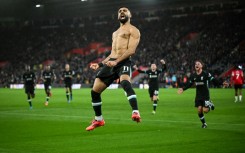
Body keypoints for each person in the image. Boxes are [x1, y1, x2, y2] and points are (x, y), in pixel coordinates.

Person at [86, 7, 141, 131]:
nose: (122, 12)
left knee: (125, 83)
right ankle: (99, 119)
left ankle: (135, 112)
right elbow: (112, 53)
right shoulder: (115, 33)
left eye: (125, 10)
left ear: (130, 14)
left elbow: (131, 50)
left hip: (123, 62)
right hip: (111, 63)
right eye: (120, 11)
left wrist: (116, 61)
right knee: (94, 91)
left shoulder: (134, 30)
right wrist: (100, 65)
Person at [177, 60, 215, 128]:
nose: (196, 65)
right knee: (199, 110)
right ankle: (204, 124)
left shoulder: (205, 74)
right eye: (195, 64)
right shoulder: (194, 75)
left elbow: (213, 79)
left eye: (198, 64)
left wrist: (221, 83)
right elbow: (189, 84)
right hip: (198, 95)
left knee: (205, 110)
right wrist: (183, 89)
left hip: (205, 95)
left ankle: (210, 104)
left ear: (201, 66)